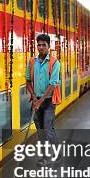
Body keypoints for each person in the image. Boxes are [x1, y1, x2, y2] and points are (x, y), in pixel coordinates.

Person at [26, 34, 61, 164]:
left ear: (48, 46)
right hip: (36, 100)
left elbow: (53, 84)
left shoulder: (54, 63)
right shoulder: (31, 62)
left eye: (43, 45)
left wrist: (40, 101)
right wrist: (35, 98)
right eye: (38, 45)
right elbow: (28, 81)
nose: (40, 47)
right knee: (41, 131)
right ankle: (45, 157)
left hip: (49, 101)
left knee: (47, 128)